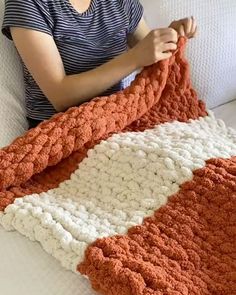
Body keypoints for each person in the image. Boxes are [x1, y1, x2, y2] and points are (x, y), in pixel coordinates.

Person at [2, 0, 197, 129]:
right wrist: (135, 57)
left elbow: (151, 55)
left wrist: (171, 37)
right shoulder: (28, 4)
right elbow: (60, 95)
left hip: (118, 118)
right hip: (61, 130)